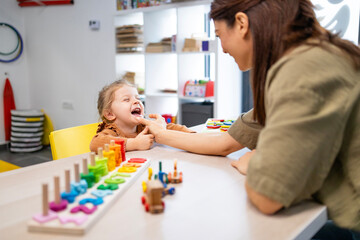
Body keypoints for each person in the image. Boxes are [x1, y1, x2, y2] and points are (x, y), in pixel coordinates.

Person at [136, 0, 360, 238]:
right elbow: (226, 142)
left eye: (220, 35)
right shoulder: (316, 56)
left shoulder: (303, 70)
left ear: (242, 23)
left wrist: (253, 164)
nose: (222, 48)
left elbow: (267, 197)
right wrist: (161, 133)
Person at [90, 80, 194, 152]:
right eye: (126, 99)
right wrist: (134, 144)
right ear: (110, 114)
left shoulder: (143, 127)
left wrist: (192, 135)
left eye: (138, 98)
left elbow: (168, 128)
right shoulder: (112, 131)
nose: (136, 101)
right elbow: (95, 143)